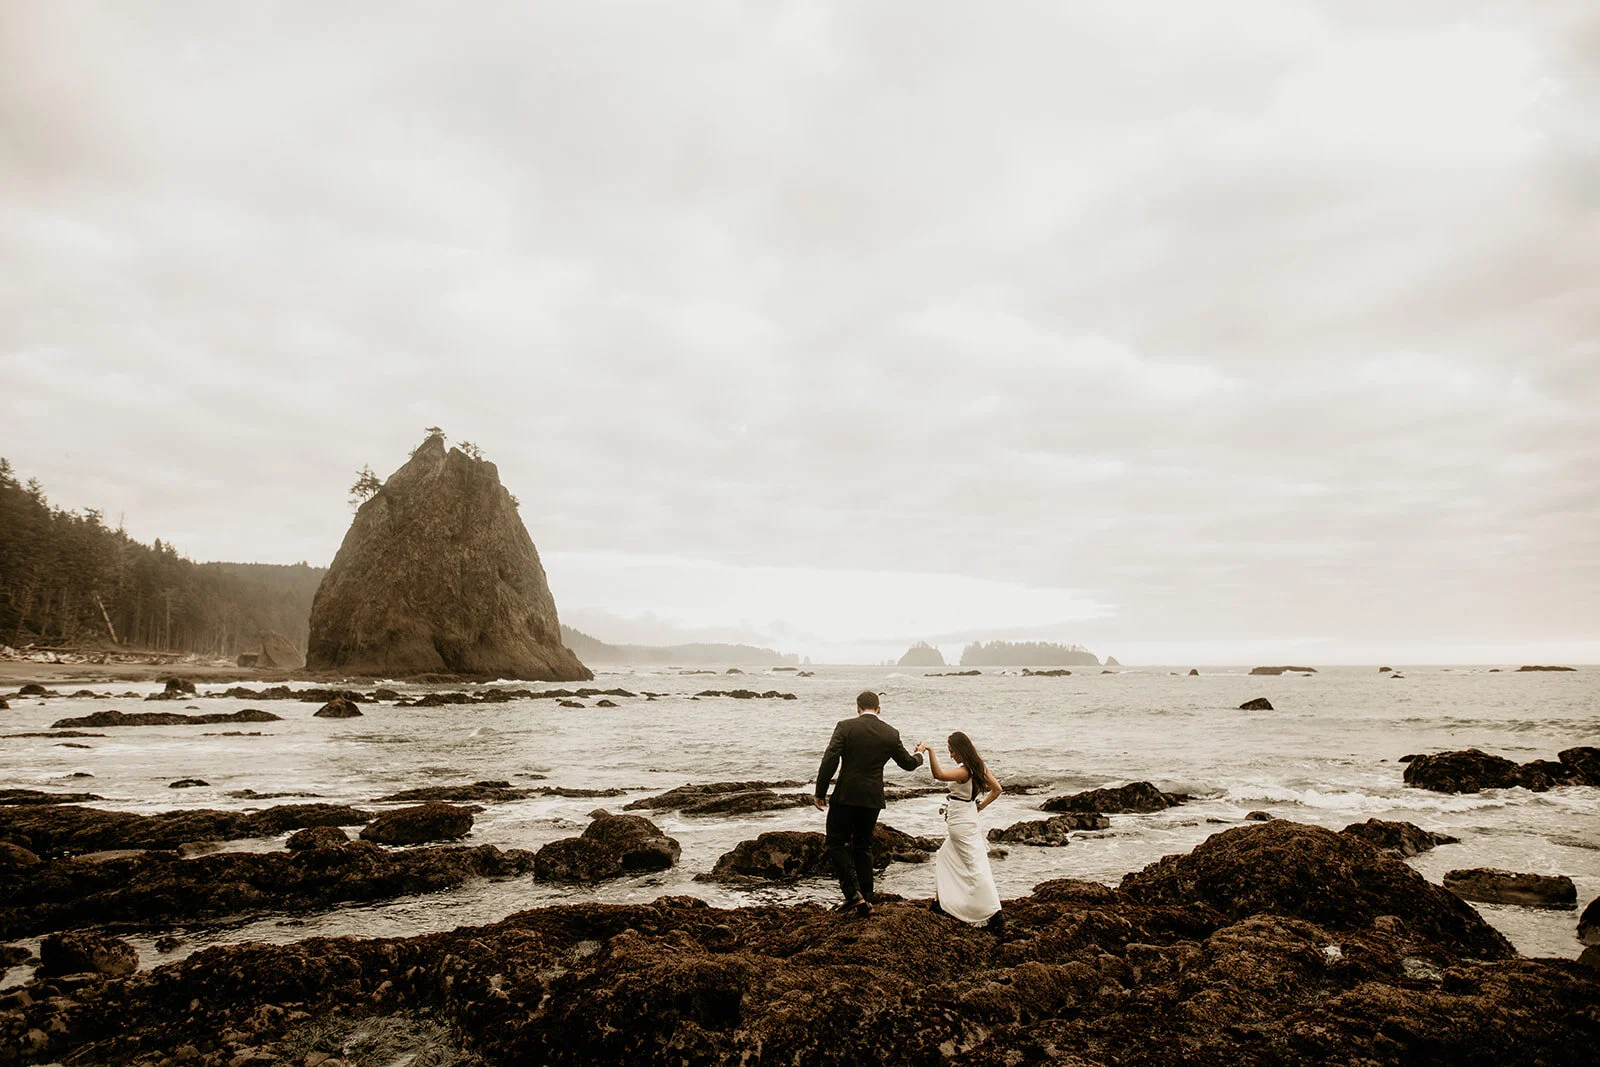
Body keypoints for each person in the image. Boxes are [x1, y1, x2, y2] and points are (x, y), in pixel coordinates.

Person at [814, 690, 923, 916]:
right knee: (862, 845)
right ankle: (867, 898)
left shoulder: (845, 727)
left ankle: (853, 894)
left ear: (857, 707)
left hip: (845, 795)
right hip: (872, 799)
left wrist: (820, 792)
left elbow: (830, 759)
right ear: (879, 709)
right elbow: (908, 764)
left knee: (836, 843)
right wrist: (920, 754)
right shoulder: (891, 734)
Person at [915, 731, 1004, 931]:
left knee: (974, 867)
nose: (951, 756)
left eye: (952, 752)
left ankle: (994, 913)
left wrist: (929, 750)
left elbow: (938, 775)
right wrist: (979, 807)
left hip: (960, 824)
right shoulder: (979, 767)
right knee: (946, 856)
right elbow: (997, 789)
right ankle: (941, 903)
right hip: (968, 817)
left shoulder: (964, 772)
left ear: (961, 751)